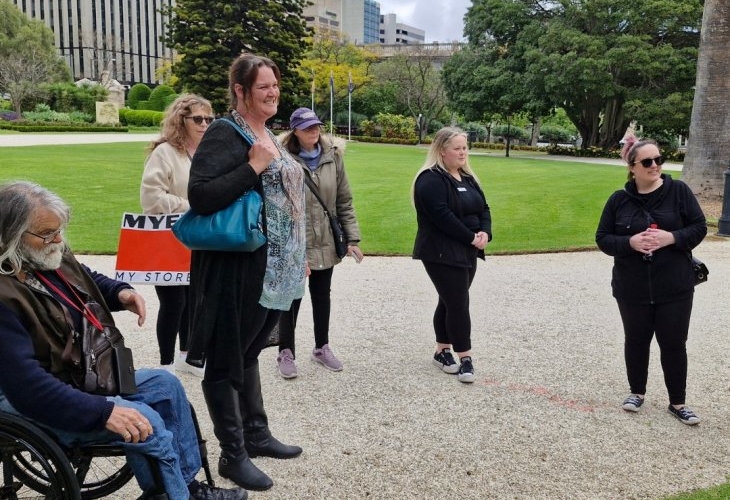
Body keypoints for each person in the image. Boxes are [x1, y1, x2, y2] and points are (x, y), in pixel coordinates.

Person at [0, 181, 246, 500]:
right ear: (10, 238)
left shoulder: (39, 255)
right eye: (47, 233)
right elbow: (28, 389)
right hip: (24, 399)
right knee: (146, 420)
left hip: (71, 376)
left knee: (165, 386)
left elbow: (82, 275)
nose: (57, 239)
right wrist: (103, 412)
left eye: (59, 229)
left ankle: (185, 488)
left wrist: (120, 292)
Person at [185, 53, 306, 491]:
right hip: (236, 271)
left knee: (250, 351)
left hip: (275, 269)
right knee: (224, 360)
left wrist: (299, 253)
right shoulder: (224, 132)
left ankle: (256, 434)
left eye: (275, 85)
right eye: (263, 87)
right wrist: (253, 166)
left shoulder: (267, 132)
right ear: (240, 90)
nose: (273, 92)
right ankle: (232, 455)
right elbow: (200, 196)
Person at [596, 135, 707, 425]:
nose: (655, 165)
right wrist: (630, 242)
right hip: (632, 286)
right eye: (647, 161)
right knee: (636, 340)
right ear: (632, 167)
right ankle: (637, 392)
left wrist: (671, 237)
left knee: (673, 342)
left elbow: (698, 228)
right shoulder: (618, 200)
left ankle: (678, 402)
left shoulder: (679, 192)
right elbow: (603, 239)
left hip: (674, 285)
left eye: (659, 159)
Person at [274, 107, 363, 379]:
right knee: (291, 298)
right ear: (294, 131)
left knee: (322, 295)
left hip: (324, 237)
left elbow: (343, 201)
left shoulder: (332, 157)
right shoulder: (282, 159)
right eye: (307, 127)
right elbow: (277, 207)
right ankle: (285, 351)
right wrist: (289, 248)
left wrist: (352, 238)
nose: (314, 131)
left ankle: (321, 346)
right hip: (296, 240)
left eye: (316, 126)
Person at [140, 93, 213, 378]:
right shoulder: (166, 152)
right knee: (174, 302)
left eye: (209, 118)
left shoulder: (207, 153)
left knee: (195, 299)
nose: (204, 123)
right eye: (198, 118)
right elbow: (151, 198)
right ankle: (166, 362)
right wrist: (192, 205)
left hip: (199, 238)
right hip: (168, 237)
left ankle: (187, 355)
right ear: (180, 120)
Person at [411, 127, 491, 384]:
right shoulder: (430, 180)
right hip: (440, 251)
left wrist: (485, 233)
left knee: (449, 300)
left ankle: (441, 350)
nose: (463, 152)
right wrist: (470, 237)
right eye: (457, 148)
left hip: (468, 249)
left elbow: (484, 208)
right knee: (458, 301)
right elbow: (442, 217)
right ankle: (465, 356)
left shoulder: (467, 178)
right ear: (442, 150)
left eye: (465, 147)